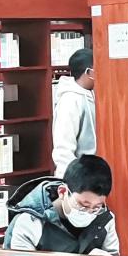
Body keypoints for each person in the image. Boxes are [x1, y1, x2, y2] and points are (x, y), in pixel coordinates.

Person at [4, 154, 119, 256]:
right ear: (63, 192)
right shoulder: (30, 221)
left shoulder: (104, 219)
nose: (89, 213)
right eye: (83, 205)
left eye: (96, 207)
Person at [52, 48, 96, 178]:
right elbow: (63, 149)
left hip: (95, 173)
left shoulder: (93, 94)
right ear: (88, 72)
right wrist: (72, 180)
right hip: (80, 178)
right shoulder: (69, 101)